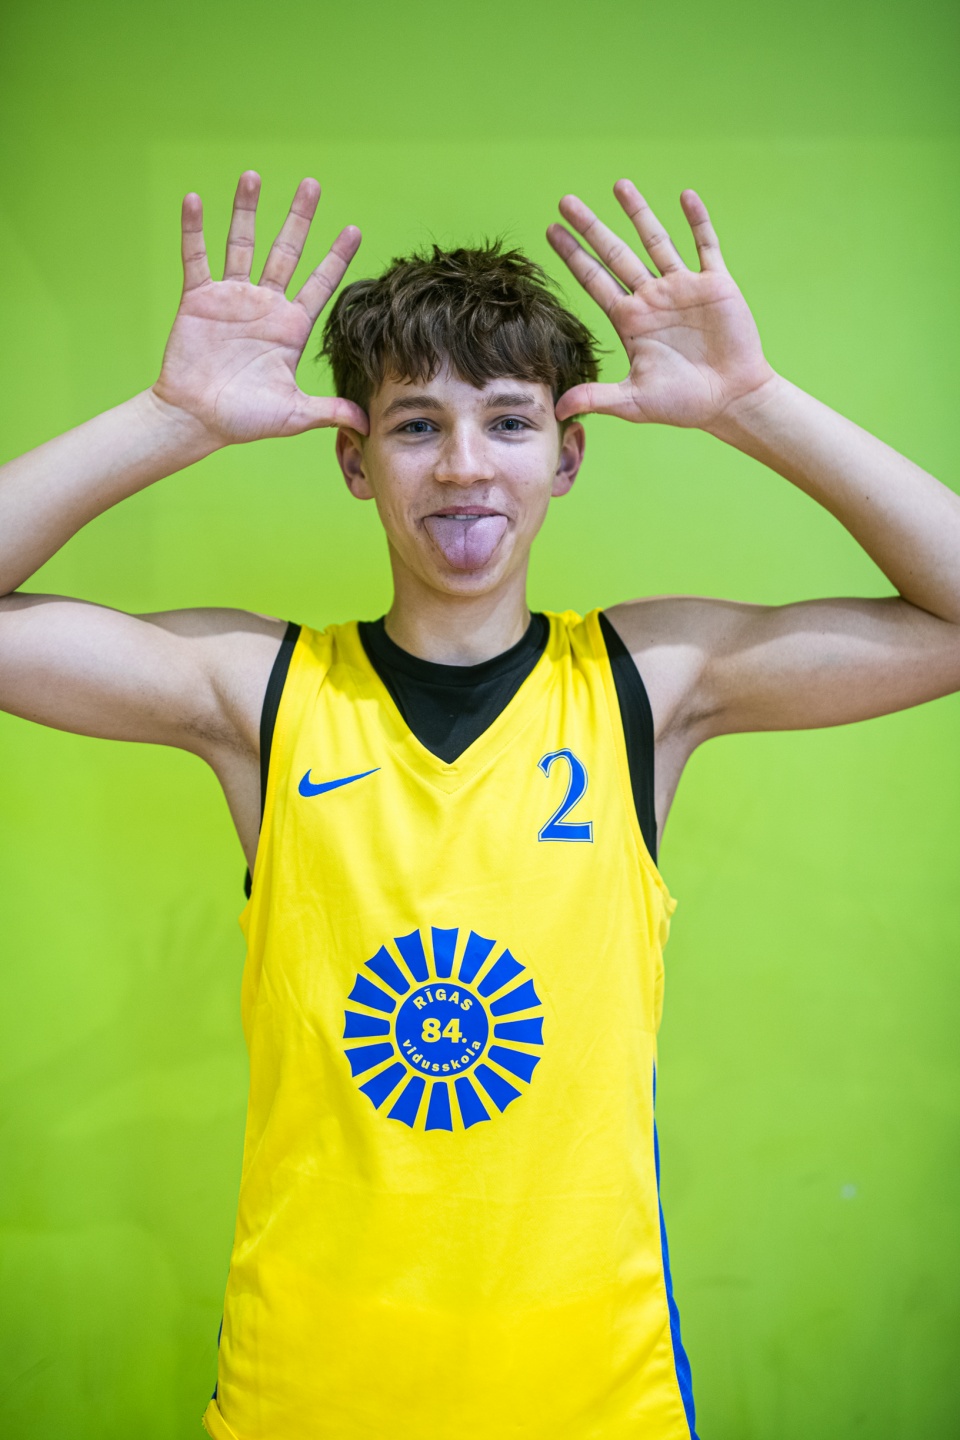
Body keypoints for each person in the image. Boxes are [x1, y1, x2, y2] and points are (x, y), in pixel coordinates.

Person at [1, 169, 958, 1440]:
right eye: (416, 426)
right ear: (354, 459)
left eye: (509, 422)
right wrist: (168, 420)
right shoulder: (262, 693)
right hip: (308, 1394)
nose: (464, 467)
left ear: (569, 454)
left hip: (595, 1398)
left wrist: (754, 406)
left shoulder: (649, 684)